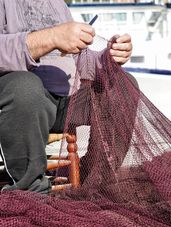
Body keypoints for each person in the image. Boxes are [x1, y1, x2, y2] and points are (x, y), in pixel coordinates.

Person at [0, 0, 133, 194]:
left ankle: (97, 182)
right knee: (26, 87)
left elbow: (79, 61)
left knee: (123, 84)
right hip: (19, 104)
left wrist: (108, 58)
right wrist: (53, 37)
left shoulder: (56, 3)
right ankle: (30, 192)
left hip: (66, 102)